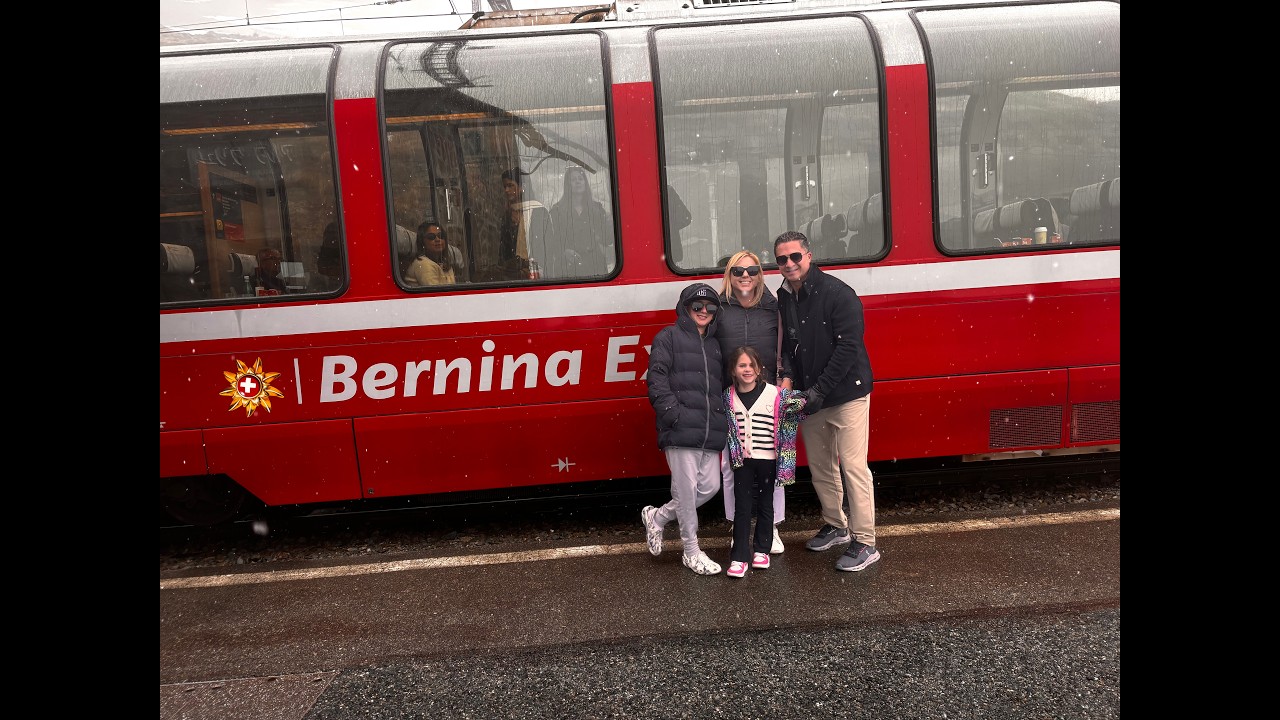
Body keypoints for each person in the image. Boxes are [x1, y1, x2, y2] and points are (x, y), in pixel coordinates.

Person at [774, 229, 881, 572]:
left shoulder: (838, 293)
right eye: (782, 259)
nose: (789, 263)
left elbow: (848, 347)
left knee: (853, 468)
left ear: (808, 255)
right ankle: (836, 525)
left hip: (846, 394)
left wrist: (820, 389)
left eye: (795, 256)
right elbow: (790, 347)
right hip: (811, 397)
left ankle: (865, 542)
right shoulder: (785, 297)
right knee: (821, 468)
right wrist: (793, 381)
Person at [640, 283, 728, 576]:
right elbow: (657, 380)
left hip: (709, 431)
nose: (703, 312)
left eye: (710, 308)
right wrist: (673, 415)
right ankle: (691, 551)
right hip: (680, 430)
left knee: (710, 488)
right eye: (697, 307)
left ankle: (658, 517)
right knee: (687, 494)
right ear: (686, 308)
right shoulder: (668, 337)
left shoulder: (716, 344)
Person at [716, 250, 791, 555]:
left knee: (771, 464)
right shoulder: (718, 309)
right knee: (733, 465)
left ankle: (770, 526)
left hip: (768, 395)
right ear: (729, 276)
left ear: (760, 275)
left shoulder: (775, 308)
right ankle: (739, 526)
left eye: (752, 270)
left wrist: (786, 379)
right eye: (738, 271)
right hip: (731, 397)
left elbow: (788, 347)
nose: (745, 276)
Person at [721, 346, 807, 578]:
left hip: (769, 460)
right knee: (743, 508)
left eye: (751, 365)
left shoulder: (775, 394)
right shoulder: (727, 397)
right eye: (742, 365)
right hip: (742, 461)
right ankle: (739, 556)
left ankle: (762, 550)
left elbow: (802, 406)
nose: (747, 370)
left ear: (759, 369)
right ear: (733, 370)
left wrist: (799, 400)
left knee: (766, 505)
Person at [547, 166, 613, 277]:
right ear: (567, 185)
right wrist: (563, 252)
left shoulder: (597, 209)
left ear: (585, 183)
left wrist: (611, 224)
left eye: (580, 178)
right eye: (573, 179)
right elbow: (551, 240)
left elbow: (607, 240)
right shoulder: (557, 211)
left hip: (595, 267)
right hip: (567, 268)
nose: (578, 182)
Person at [498, 166, 552, 279]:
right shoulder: (507, 215)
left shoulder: (538, 211)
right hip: (512, 276)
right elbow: (504, 250)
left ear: (523, 187)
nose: (506, 190)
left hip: (537, 274)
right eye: (504, 186)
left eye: (510, 185)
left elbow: (547, 247)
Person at [405, 221, 457, 286]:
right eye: (431, 237)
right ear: (422, 242)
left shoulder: (445, 264)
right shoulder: (422, 263)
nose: (437, 239)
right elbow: (436, 294)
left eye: (441, 235)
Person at [308, 222, 344, 293]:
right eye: (330, 234)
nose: (332, 237)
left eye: (334, 233)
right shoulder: (321, 253)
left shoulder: (344, 252)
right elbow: (320, 270)